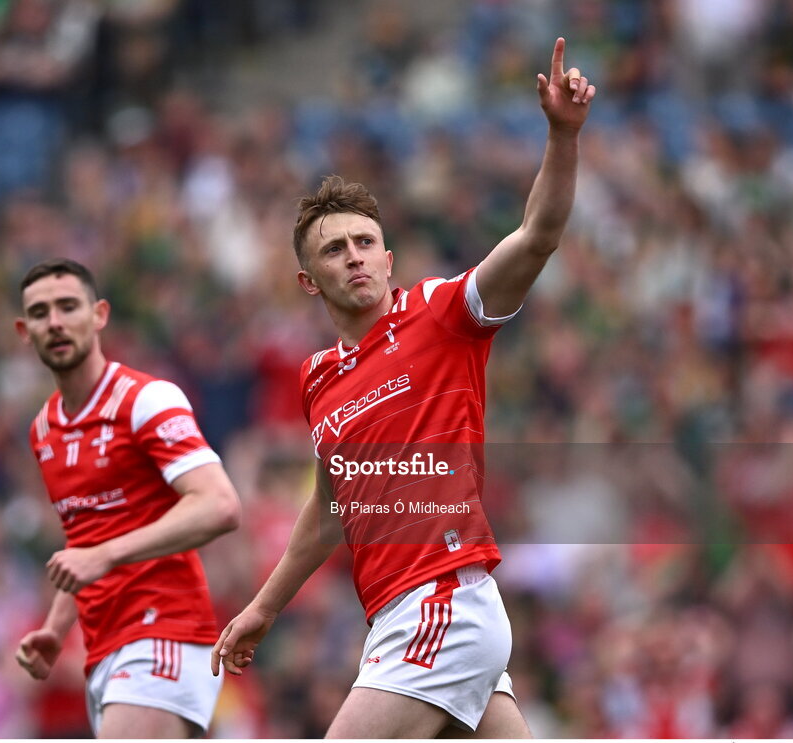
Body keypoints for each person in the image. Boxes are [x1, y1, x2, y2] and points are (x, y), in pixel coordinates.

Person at [211, 38, 596, 738]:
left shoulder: (443, 313)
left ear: (388, 258)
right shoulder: (317, 378)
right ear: (309, 281)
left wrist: (562, 137)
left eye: (364, 242)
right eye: (334, 249)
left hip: (441, 601)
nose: (353, 256)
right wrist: (265, 606)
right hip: (408, 613)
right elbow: (331, 507)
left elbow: (537, 236)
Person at [13, 258, 240, 738]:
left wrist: (106, 555)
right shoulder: (43, 429)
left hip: (164, 631)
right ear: (23, 330)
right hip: (102, 649)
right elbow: (85, 539)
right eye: (39, 312)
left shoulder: (147, 399)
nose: (54, 321)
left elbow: (219, 505)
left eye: (68, 306)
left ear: (99, 315)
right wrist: (56, 630)